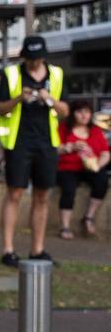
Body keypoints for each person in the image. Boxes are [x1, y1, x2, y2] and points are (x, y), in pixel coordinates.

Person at [0, 34, 67, 267]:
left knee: (43, 195)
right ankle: (8, 250)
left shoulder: (56, 75)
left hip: (46, 143)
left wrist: (49, 100)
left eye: (36, 58)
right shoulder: (12, 74)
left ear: (43, 57)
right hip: (19, 142)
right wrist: (19, 98)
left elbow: (65, 110)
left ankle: (37, 250)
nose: (33, 63)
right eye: (29, 58)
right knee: (14, 193)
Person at [55, 101, 108, 240]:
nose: (84, 115)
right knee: (68, 189)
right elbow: (54, 149)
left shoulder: (95, 130)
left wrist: (97, 164)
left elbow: (106, 153)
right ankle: (65, 226)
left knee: (102, 181)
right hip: (68, 168)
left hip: (90, 167)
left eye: (87, 112)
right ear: (73, 113)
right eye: (80, 112)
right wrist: (70, 147)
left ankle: (88, 217)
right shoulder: (63, 129)